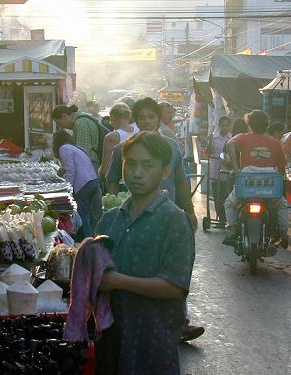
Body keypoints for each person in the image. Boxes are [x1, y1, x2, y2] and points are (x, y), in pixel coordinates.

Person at [95, 131, 195, 374]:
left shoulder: (174, 221)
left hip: (153, 342)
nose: (137, 173)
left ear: (166, 171)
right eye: (131, 164)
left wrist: (118, 281)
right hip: (111, 339)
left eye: (148, 166)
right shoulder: (109, 220)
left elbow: (175, 286)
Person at [105, 97, 203, 342]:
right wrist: (116, 202)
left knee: (171, 270)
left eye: (152, 117)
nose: (138, 172)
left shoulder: (171, 148)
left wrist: (189, 210)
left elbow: (181, 181)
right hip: (134, 213)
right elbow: (112, 178)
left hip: (163, 212)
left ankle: (179, 322)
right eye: (142, 117)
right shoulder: (124, 148)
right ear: (135, 120)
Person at [224, 110, 289, 248]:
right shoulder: (275, 142)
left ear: (249, 124)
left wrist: (236, 168)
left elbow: (230, 144)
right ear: (266, 125)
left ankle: (233, 229)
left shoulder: (243, 137)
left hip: (246, 185)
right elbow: (282, 167)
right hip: (269, 188)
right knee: (282, 204)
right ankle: (283, 235)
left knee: (229, 204)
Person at [52, 130, 102, 238]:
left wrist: (67, 190)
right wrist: (63, 170)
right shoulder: (76, 148)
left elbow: (71, 170)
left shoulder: (63, 148)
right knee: (92, 216)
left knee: (83, 215)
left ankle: (86, 242)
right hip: (93, 181)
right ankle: (93, 239)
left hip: (83, 185)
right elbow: (78, 165)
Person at [52, 104, 102, 169]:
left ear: (64, 116)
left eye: (59, 123)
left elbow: (82, 154)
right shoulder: (81, 118)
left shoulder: (80, 123)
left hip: (92, 165)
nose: (61, 127)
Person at [98, 103, 139, 180]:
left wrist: (99, 174)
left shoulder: (112, 137)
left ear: (112, 118)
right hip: (136, 175)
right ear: (129, 117)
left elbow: (105, 169)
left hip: (119, 180)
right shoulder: (139, 130)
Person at [209, 115, 231, 224]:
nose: (225, 128)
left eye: (227, 126)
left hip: (227, 172)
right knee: (217, 196)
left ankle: (227, 218)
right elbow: (208, 152)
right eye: (223, 126)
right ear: (219, 126)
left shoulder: (231, 139)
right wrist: (208, 141)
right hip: (215, 170)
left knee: (226, 196)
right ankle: (221, 218)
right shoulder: (213, 138)